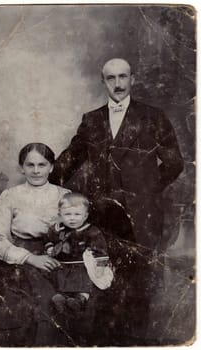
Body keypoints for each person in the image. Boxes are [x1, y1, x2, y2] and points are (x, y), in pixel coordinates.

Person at [49, 58, 184, 344]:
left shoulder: (153, 116)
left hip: (142, 216)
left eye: (123, 77)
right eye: (111, 78)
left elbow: (174, 163)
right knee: (103, 279)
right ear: (103, 82)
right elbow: (69, 160)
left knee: (139, 284)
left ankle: (137, 344)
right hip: (101, 215)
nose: (118, 84)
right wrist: (41, 177)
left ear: (132, 79)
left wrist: (146, 192)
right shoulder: (92, 119)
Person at [0, 142, 70, 346]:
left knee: (51, 324)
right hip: (18, 264)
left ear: (51, 167)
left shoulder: (64, 196)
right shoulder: (10, 196)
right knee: (20, 325)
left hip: (55, 262)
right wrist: (31, 258)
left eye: (42, 165)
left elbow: (76, 235)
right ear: (21, 167)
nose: (36, 171)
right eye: (30, 165)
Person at [44, 192, 112, 315]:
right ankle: (62, 299)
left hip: (81, 266)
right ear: (60, 215)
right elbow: (49, 238)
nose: (72, 218)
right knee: (61, 283)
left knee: (83, 285)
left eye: (77, 214)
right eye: (67, 214)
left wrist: (100, 267)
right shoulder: (58, 229)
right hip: (63, 265)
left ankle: (80, 300)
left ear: (85, 216)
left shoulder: (91, 231)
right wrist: (49, 247)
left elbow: (101, 250)